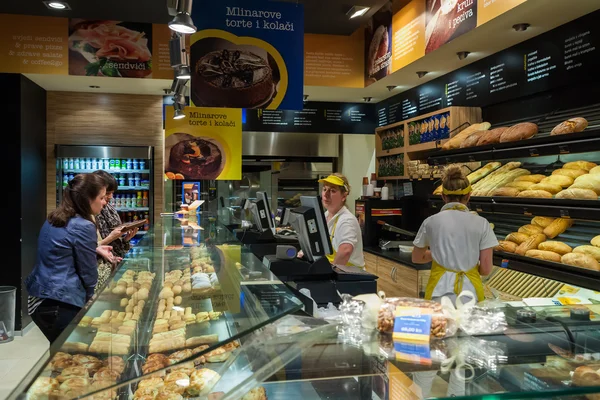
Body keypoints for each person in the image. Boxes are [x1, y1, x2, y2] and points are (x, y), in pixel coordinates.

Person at [26, 173, 107, 343]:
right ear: (87, 199)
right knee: (71, 360)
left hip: (39, 298)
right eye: (101, 197)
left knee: (59, 356)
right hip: (59, 303)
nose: (105, 202)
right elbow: (88, 271)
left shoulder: (54, 217)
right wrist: (91, 301)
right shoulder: (84, 225)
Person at [411, 165, 498, 303]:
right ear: (469, 195)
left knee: (440, 325)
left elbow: (417, 257)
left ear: (443, 196)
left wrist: (440, 254)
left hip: (439, 294)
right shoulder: (482, 223)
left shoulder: (430, 222)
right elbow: (486, 269)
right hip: (471, 295)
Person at [318, 173, 365, 268]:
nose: (326, 194)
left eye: (332, 191)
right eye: (325, 189)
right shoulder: (325, 216)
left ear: (343, 196)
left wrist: (331, 275)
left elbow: (345, 250)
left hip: (349, 276)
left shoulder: (346, 220)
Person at [93, 170, 138, 258]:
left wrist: (125, 239)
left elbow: (118, 243)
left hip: (114, 261)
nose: (111, 196)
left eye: (112, 193)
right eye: (107, 193)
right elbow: (88, 249)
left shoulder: (110, 209)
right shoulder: (88, 215)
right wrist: (111, 237)